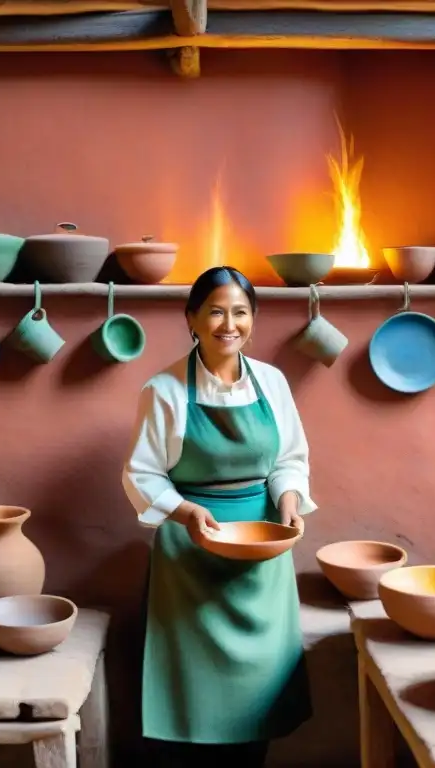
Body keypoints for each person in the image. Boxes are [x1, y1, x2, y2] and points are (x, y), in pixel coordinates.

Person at [122, 266, 316, 768]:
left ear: (253, 318)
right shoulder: (163, 389)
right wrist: (185, 512)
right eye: (215, 311)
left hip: (263, 552)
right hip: (191, 554)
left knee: (260, 696)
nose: (228, 324)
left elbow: (288, 460)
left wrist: (290, 501)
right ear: (191, 318)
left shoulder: (272, 383)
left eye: (240, 312)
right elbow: (142, 474)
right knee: (196, 698)